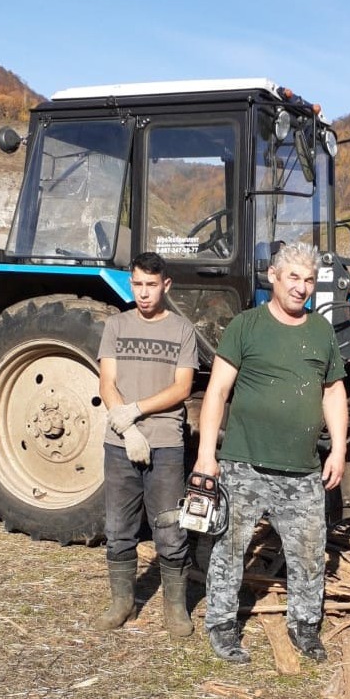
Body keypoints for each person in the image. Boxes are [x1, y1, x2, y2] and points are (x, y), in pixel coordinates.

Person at [194, 241, 348, 664]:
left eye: (309, 280)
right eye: (293, 277)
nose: (301, 287)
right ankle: (223, 625)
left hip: (301, 470)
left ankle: (304, 625)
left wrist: (338, 448)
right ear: (274, 277)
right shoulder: (247, 325)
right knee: (229, 547)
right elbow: (218, 391)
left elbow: (333, 391)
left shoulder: (321, 332)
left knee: (310, 551)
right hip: (245, 463)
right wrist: (208, 454)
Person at [96, 252, 199, 637]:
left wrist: (137, 411)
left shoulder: (182, 330)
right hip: (120, 442)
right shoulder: (116, 325)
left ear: (165, 286)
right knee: (119, 526)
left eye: (151, 285)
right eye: (137, 284)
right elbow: (107, 382)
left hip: (165, 444)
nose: (143, 292)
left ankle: (175, 607)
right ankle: (123, 602)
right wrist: (127, 428)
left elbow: (183, 387)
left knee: (170, 528)